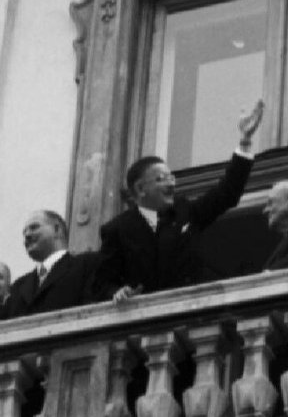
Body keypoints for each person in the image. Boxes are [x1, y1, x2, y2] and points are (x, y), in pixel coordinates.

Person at [97, 99, 265, 302]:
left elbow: (227, 193)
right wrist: (116, 292)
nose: (171, 184)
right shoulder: (117, 230)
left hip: (190, 311)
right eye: (161, 179)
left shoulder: (185, 211)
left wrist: (245, 142)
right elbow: (101, 284)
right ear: (141, 189)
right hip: (147, 316)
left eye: (172, 177)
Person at [6, 210, 100, 318]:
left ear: (56, 229)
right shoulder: (18, 286)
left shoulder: (88, 264)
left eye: (34, 227)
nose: (27, 235)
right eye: (24, 233)